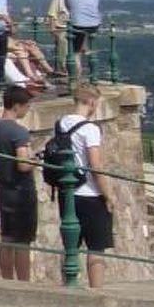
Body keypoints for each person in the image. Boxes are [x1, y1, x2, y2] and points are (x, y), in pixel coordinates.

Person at [53, 85, 113, 287]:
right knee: (96, 248)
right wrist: (108, 195)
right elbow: (95, 166)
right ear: (92, 102)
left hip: (67, 191)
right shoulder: (90, 129)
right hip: (90, 194)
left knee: (71, 246)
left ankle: (69, 285)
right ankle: (97, 292)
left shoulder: (61, 124)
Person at [0, 84, 37, 281]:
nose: (27, 110)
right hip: (21, 190)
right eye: (26, 106)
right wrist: (35, 161)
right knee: (23, 242)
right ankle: (24, 284)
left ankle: (6, 280)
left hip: (3, 188)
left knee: (6, 238)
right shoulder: (18, 132)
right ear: (16, 106)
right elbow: (23, 164)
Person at [61, 0, 102, 84]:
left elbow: (68, 6)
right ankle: (85, 47)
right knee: (85, 33)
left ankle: (76, 75)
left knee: (75, 51)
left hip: (77, 23)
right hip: (94, 23)